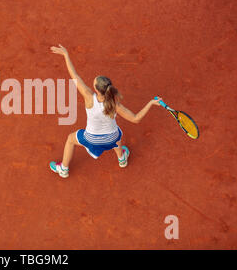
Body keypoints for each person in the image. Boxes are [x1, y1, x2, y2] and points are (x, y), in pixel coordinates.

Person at [49, 44, 162, 178]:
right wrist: (150, 103)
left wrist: (66, 55)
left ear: (96, 90)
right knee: (116, 134)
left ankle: (63, 169)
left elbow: (74, 75)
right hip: (111, 139)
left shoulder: (88, 97)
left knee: (70, 139)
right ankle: (122, 159)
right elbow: (136, 119)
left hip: (91, 139)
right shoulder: (115, 104)